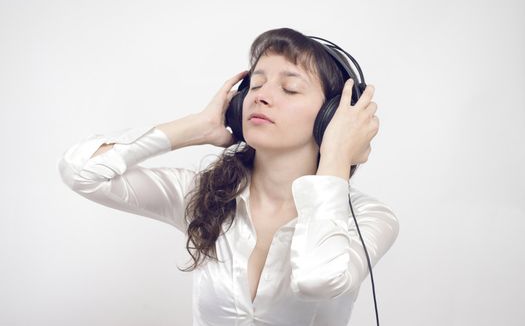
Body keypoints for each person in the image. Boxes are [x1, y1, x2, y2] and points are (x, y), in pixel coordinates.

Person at [57, 27, 400, 325]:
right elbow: (82, 171)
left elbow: (319, 279)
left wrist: (336, 156)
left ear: (331, 117)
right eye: (257, 85)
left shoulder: (372, 219)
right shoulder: (203, 195)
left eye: (290, 89)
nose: (262, 96)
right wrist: (197, 127)